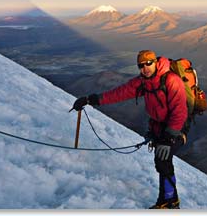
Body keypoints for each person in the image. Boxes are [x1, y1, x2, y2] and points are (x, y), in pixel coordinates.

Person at [71, 50, 188, 209]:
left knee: (163, 161)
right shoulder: (143, 82)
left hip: (175, 129)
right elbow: (119, 93)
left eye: (149, 63)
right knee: (161, 163)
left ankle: (170, 202)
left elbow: (180, 111)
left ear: (155, 62)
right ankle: (167, 201)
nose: (145, 68)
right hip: (159, 128)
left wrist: (170, 137)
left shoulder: (171, 80)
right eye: (141, 65)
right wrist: (90, 100)